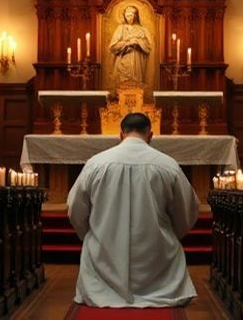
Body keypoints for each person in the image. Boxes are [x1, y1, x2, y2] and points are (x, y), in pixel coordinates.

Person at [68, 112, 199, 308]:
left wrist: (90, 235)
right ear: (151, 135)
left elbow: (75, 209)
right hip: (156, 253)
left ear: (121, 134)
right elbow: (186, 209)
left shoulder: (96, 163)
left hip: (105, 252)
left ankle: (106, 289)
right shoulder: (167, 165)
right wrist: (173, 234)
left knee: (93, 243)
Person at [108, 4, 152, 87]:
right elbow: (112, 46)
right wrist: (127, 43)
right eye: (127, 16)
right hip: (124, 59)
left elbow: (148, 47)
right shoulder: (120, 28)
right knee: (123, 83)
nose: (129, 18)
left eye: (131, 15)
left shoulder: (142, 30)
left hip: (137, 60)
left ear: (135, 16)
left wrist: (138, 42)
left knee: (137, 83)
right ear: (124, 16)